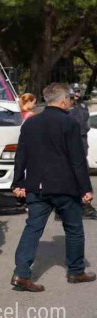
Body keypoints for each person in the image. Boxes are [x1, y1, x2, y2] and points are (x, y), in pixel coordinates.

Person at [10, 82, 95, 292]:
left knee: (32, 229)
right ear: (63, 99)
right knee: (74, 229)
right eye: (69, 98)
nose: (70, 102)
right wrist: (86, 188)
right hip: (65, 187)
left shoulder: (30, 123)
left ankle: (21, 273)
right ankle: (76, 271)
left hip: (37, 187)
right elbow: (77, 160)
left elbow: (21, 155)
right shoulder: (70, 124)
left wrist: (18, 182)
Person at [68, 84, 97, 220]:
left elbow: (85, 124)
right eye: (74, 91)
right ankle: (85, 206)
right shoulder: (67, 107)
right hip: (74, 144)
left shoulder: (83, 106)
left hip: (82, 143)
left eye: (79, 91)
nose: (77, 93)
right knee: (80, 175)